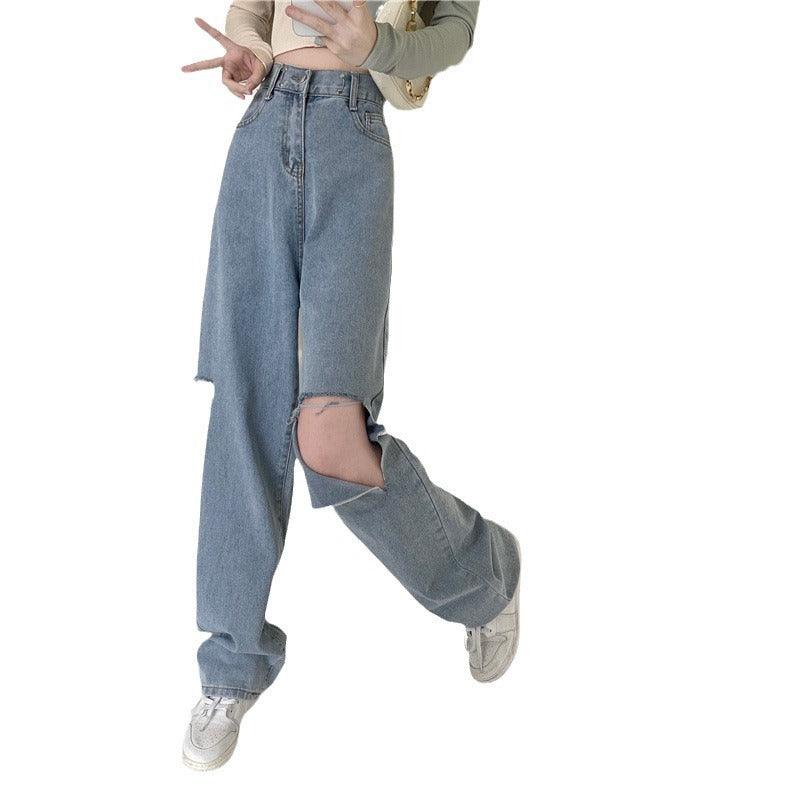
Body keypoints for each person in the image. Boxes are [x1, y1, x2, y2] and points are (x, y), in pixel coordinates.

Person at [181, 1, 520, 771]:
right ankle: (230, 668)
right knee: (243, 409)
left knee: (329, 433)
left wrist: (381, 45)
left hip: (353, 133)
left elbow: (456, 32)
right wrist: (248, 52)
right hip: (264, 127)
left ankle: (485, 577)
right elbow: (252, 11)